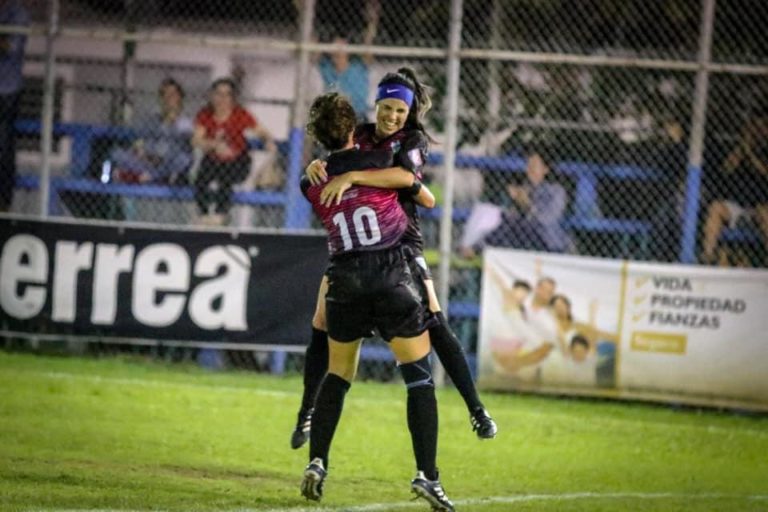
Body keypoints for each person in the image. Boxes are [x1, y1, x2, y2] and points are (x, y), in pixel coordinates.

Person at [293, 68, 497, 451]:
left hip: (402, 244)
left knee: (435, 320)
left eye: (400, 111)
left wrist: (351, 176)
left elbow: (405, 178)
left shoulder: (413, 139)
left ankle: (476, 408)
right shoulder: (365, 134)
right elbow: (334, 158)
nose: (393, 117)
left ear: (409, 111)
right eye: (387, 108)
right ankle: (306, 412)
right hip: (358, 250)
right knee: (320, 321)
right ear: (377, 105)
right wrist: (314, 167)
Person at [299, 91, 454, 511]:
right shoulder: (383, 163)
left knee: (338, 376)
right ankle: (428, 476)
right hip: (389, 277)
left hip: (345, 282)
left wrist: (333, 171)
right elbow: (416, 188)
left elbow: (321, 175)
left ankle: (317, 461)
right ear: (353, 128)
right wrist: (363, 173)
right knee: (419, 377)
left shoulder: (310, 182)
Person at [191, 77, 277, 226]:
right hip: (214, 158)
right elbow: (196, 139)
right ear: (212, 96)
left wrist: (268, 141)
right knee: (201, 179)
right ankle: (204, 214)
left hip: (237, 160)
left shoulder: (239, 114)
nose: (222, 99)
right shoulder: (205, 114)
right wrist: (214, 145)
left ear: (232, 98)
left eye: (227, 95)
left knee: (226, 179)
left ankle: (220, 215)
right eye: (218, 94)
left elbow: (261, 131)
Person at [459, 148, 571, 257]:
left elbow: (546, 220)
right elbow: (511, 218)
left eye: (534, 165)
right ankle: (472, 246)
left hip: (546, 241)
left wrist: (527, 205)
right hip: (522, 237)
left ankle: (475, 248)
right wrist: (515, 202)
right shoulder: (526, 188)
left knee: (510, 226)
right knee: (488, 212)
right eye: (528, 165)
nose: (529, 169)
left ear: (546, 169)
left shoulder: (556, 191)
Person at [700, 111, 768, 266]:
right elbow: (726, 168)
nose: (756, 131)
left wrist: (750, 153)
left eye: (761, 127)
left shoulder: (764, 150)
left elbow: (764, 171)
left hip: (758, 206)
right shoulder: (737, 147)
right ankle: (708, 256)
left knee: (766, 213)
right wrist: (741, 148)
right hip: (735, 205)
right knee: (716, 208)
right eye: (752, 127)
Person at [108, 78, 193, 185]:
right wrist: (141, 152)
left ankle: (149, 176)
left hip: (167, 162)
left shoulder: (186, 122)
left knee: (184, 159)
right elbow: (138, 142)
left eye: (172, 94)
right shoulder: (151, 120)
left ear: (180, 97)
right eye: (164, 94)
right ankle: (152, 176)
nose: (168, 98)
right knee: (116, 153)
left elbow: (183, 148)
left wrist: (172, 121)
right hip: (147, 161)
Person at [0, 0, 28, 212]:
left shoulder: (16, 12)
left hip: (6, 90)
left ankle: (3, 199)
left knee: (4, 143)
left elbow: (11, 47)